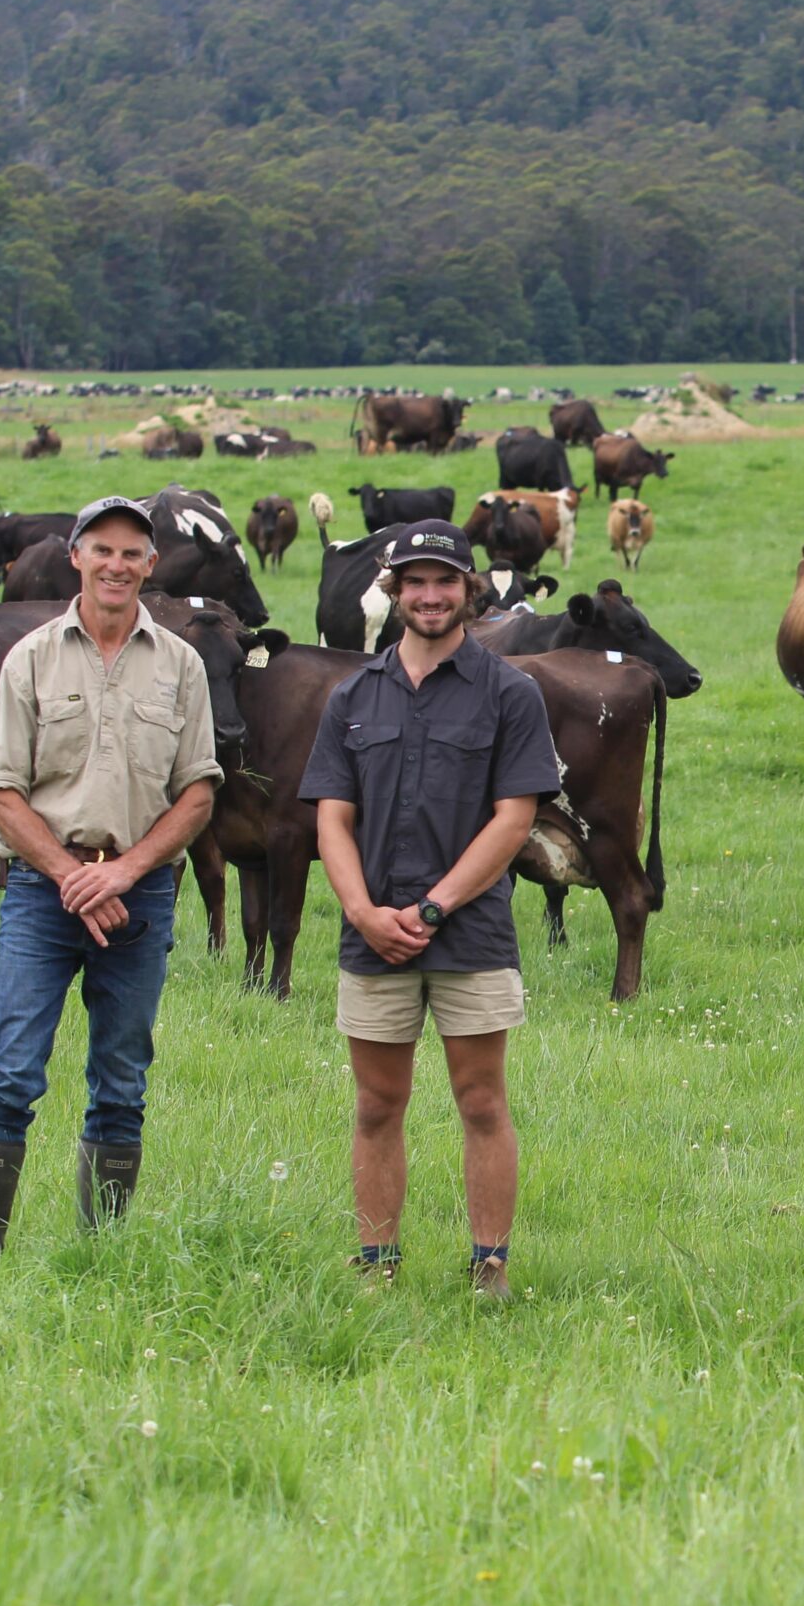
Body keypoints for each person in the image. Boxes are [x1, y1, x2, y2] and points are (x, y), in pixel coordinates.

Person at [0, 494, 223, 1260]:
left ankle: (99, 1254)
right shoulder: (31, 656)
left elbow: (198, 790)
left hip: (138, 896)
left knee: (121, 1080)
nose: (116, 564)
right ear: (74, 555)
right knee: (10, 1071)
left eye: (131, 552)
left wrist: (128, 870)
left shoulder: (182, 665)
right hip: (44, 894)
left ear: (150, 565)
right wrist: (73, 874)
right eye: (100, 549)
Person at [300, 520, 560, 1299]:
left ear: (469, 589)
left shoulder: (509, 692)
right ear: (392, 589)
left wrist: (436, 907)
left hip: (471, 931)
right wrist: (365, 911)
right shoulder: (352, 694)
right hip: (372, 933)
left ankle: (491, 1263)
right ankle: (377, 1264)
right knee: (378, 1102)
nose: (430, 595)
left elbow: (515, 819)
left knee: (481, 1098)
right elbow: (331, 819)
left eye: (444, 581)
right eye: (414, 581)